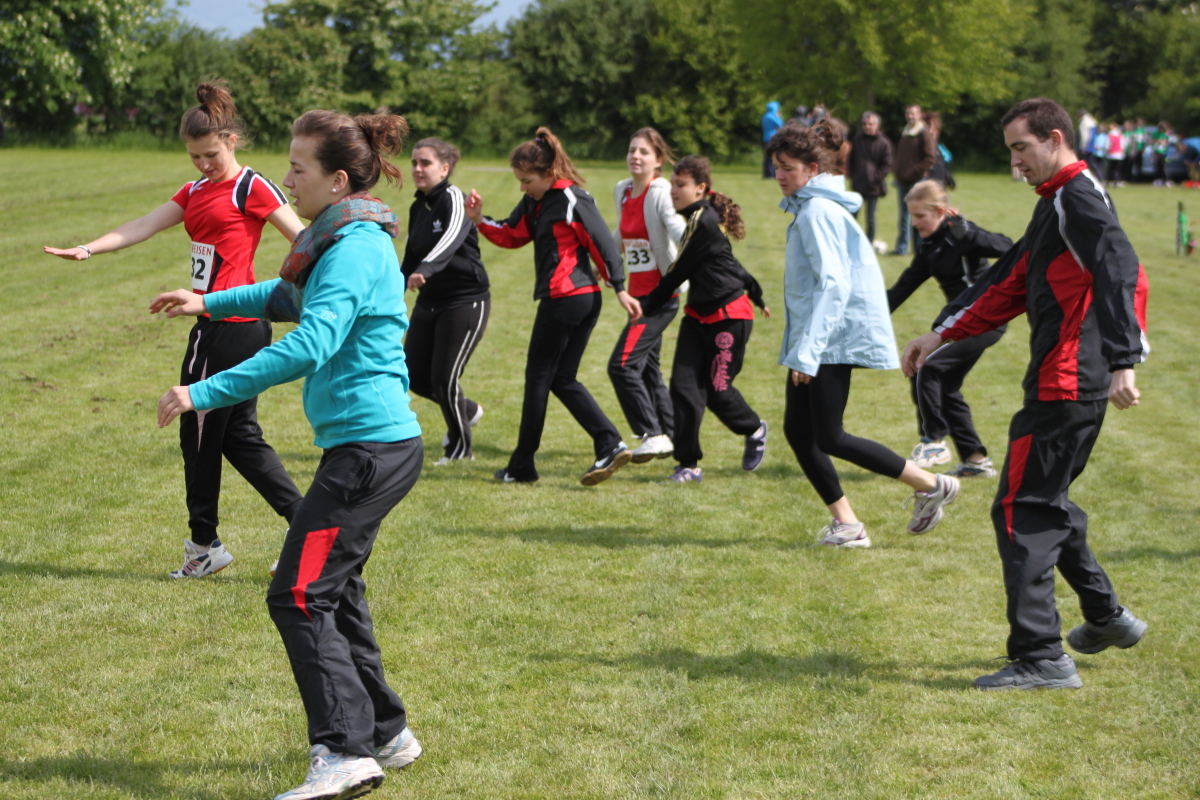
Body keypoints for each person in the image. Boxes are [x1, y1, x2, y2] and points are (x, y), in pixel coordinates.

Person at [152, 109, 426, 799]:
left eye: (298, 168)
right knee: (337, 590)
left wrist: (202, 391)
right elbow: (284, 295)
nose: (287, 179)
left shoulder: (354, 249)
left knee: (299, 594)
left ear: (337, 182)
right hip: (369, 448)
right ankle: (387, 732)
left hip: (368, 453)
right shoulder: (340, 239)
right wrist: (206, 303)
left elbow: (309, 343)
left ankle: (343, 751)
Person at [903, 98, 1149, 690]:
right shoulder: (1058, 197)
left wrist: (1124, 359)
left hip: (1067, 383)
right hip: (1068, 381)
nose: (1015, 163)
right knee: (1045, 500)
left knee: (1023, 508)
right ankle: (1106, 616)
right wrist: (941, 333)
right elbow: (1011, 278)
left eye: (1021, 148)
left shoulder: (1077, 197)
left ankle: (1042, 657)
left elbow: (1122, 268)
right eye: (1010, 150)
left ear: (1055, 138)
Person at [43, 82, 304, 579]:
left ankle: (204, 547)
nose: (203, 164)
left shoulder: (251, 186)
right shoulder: (196, 190)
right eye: (193, 156)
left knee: (199, 435)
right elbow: (144, 224)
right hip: (215, 326)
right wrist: (88, 248)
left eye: (210, 155)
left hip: (230, 328)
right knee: (237, 436)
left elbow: (304, 239)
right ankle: (307, 523)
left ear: (230, 140)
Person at [768, 121, 960, 548]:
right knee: (799, 431)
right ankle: (848, 524)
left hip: (827, 340)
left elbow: (834, 285)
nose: (779, 175)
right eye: (776, 166)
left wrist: (808, 352)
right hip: (816, 339)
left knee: (830, 436)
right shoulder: (811, 207)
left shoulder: (816, 211)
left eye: (787, 168)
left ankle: (931, 484)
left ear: (812, 169)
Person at [466, 127, 639, 485]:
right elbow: (513, 233)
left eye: (527, 180)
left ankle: (522, 466)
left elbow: (602, 243)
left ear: (548, 173)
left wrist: (620, 287)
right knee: (561, 378)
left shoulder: (572, 198)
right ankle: (609, 442)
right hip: (573, 300)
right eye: (519, 181)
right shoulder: (535, 201)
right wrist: (480, 220)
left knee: (538, 380)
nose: (522, 188)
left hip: (568, 299)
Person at [633, 155, 770, 483]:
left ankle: (754, 429)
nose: (673, 191)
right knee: (683, 388)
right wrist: (757, 291)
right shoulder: (699, 219)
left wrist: (646, 306)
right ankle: (688, 465)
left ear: (700, 188)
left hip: (728, 317)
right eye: (673, 184)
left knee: (717, 391)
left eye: (681, 185)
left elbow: (678, 271)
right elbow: (731, 264)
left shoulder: (704, 220)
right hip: (697, 317)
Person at [887, 180, 1013, 477]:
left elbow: (1008, 247)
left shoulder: (961, 234)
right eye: (912, 216)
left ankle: (933, 442)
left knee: (927, 366)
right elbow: (903, 287)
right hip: (955, 322)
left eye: (920, 216)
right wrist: (866, 317)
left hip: (984, 319)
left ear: (940, 212)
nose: (914, 222)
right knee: (944, 385)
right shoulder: (929, 246)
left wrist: (969, 230)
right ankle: (976, 461)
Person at [401, 137, 490, 464]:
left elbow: (451, 237)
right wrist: (391, 290)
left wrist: (425, 269)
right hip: (430, 301)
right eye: (414, 162)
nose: (417, 169)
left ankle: (460, 449)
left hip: (465, 300)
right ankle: (468, 410)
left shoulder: (454, 198)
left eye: (425, 163)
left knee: (444, 378)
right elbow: (411, 254)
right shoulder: (418, 206)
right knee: (412, 374)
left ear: (445, 168)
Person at [608, 128, 686, 463]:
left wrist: (697, 241)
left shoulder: (660, 192)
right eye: (632, 150)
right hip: (636, 300)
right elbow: (622, 234)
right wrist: (603, 263)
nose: (635, 156)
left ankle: (652, 435)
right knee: (647, 369)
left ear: (658, 160)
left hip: (659, 300)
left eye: (644, 152)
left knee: (622, 366)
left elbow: (676, 227)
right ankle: (673, 436)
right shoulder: (623, 190)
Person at [892, 104, 936, 255]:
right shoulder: (905, 133)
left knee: (918, 215)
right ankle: (901, 248)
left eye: (913, 114)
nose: (910, 116)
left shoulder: (924, 133)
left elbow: (930, 158)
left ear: (919, 115)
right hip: (902, 181)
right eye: (908, 114)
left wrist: (914, 171)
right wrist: (897, 170)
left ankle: (919, 248)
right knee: (903, 216)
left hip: (917, 181)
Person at [847, 111, 892, 244]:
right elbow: (851, 159)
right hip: (857, 184)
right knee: (852, 215)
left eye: (870, 124)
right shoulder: (857, 140)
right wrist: (852, 175)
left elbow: (887, 164)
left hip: (873, 187)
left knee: (870, 218)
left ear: (877, 125)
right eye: (865, 124)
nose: (867, 126)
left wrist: (876, 178)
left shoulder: (884, 143)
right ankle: (849, 240)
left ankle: (869, 242)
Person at [761, 101, 784, 179]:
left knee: (767, 157)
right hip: (772, 138)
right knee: (773, 157)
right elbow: (780, 124)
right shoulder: (772, 116)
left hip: (765, 138)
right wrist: (778, 117)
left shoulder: (765, 116)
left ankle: (767, 173)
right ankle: (771, 174)